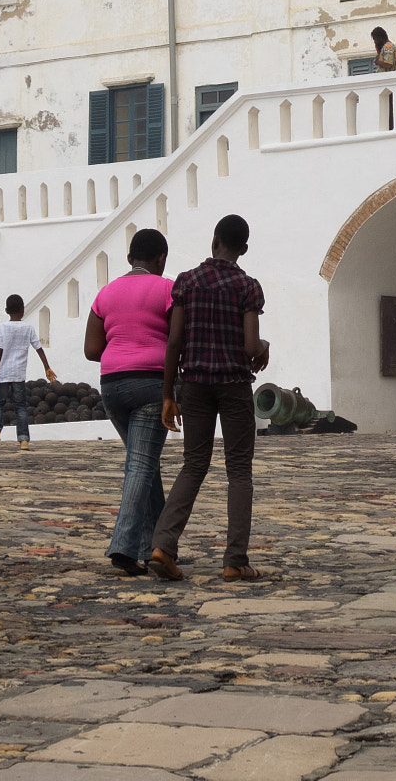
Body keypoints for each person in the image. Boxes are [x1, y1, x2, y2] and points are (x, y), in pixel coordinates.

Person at [149, 214, 268, 582]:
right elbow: (250, 347)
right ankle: (235, 560)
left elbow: (174, 342)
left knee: (193, 465)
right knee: (239, 471)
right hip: (233, 384)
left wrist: (168, 393)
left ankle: (163, 546)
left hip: (195, 383)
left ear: (213, 240)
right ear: (243, 249)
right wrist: (263, 346)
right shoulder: (247, 286)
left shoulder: (186, 281)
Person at [84, 229, 173, 575]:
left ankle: (161, 545)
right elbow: (178, 336)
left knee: (144, 462)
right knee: (140, 465)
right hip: (151, 384)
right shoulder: (167, 289)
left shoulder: (105, 293)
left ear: (128, 259)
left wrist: (123, 347)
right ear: (161, 259)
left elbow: (92, 350)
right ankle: (124, 545)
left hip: (111, 387)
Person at [0, 293, 56, 450]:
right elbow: (39, 348)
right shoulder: (28, 328)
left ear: (6, 310)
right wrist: (47, 367)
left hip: (3, 373)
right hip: (18, 374)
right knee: (21, 406)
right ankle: (23, 440)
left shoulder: (1, 328)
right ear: (23, 310)